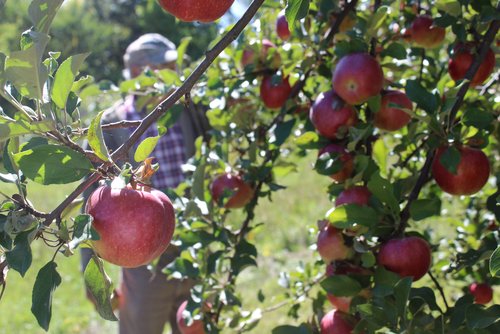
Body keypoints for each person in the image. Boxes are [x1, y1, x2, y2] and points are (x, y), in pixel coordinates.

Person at [80, 33, 210, 334]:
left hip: (193, 245)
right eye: (169, 67)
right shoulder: (110, 128)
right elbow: (89, 203)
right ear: (141, 71)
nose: (178, 75)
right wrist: (94, 274)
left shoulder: (187, 111)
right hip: (143, 260)